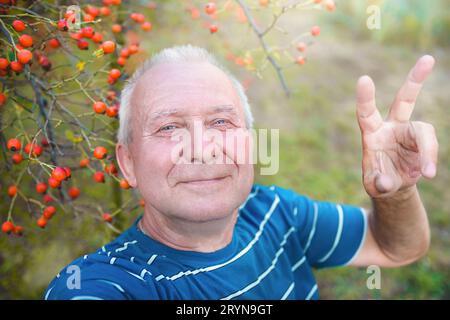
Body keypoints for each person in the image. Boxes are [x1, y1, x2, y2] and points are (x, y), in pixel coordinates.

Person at [44, 45, 438, 300]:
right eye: (168, 127)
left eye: (220, 122)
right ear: (127, 162)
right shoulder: (105, 284)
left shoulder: (274, 212)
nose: (202, 147)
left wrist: (397, 193)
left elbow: (394, 247)